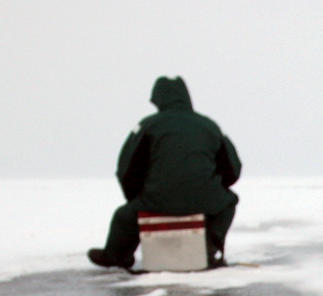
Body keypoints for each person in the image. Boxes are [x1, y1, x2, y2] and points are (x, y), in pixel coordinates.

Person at [88, 76, 242, 269]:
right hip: (204, 200)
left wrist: (136, 199)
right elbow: (233, 169)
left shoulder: (147, 126)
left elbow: (126, 169)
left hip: (156, 199)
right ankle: (211, 248)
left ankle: (116, 256)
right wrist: (212, 188)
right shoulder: (209, 126)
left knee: (123, 217)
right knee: (229, 202)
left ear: (158, 99)